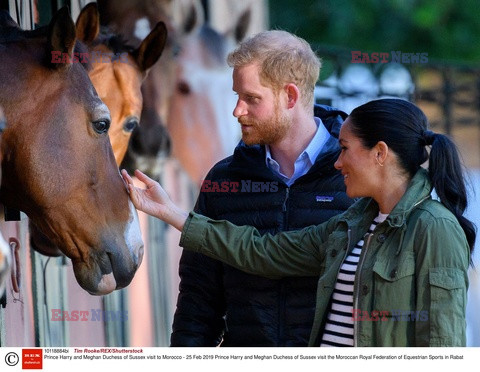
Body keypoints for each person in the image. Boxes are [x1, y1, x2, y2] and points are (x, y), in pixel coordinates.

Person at [122, 98, 476, 347]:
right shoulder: (351, 223)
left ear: (379, 153)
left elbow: (443, 344)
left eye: (345, 149)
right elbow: (263, 251)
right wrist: (172, 213)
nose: (337, 163)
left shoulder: (435, 228)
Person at [173, 30, 354, 346]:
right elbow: (197, 304)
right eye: (237, 96)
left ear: (290, 97)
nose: (237, 111)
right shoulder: (223, 181)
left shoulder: (356, 178)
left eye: (251, 99)